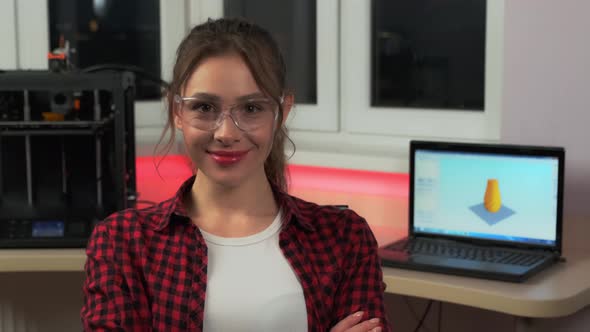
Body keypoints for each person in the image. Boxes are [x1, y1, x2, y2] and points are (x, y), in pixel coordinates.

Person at [81, 17, 390, 332]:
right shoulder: (122, 242)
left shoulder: (344, 238)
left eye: (252, 109)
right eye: (204, 107)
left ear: (281, 112)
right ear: (177, 112)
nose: (226, 132)